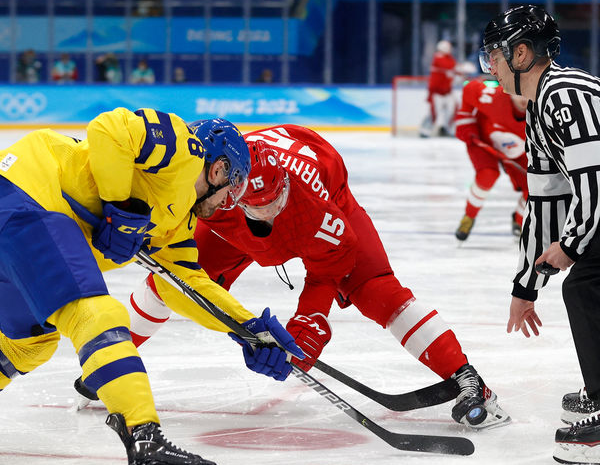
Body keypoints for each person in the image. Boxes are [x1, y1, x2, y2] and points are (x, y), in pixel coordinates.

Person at [102, 124, 511, 431]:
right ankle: (112, 360)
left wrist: (310, 321)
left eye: (272, 204)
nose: (265, 215)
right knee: (171, 281)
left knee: (378, 291)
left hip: (315, 210)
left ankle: (467, 378)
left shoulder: (313, 206)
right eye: (255, 206)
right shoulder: (214, 186)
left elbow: (329, 264)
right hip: (235, 216)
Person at [0, 111, 304, 465]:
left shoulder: (178, 222)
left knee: (28, 343)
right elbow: (108, 130)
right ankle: (147, 444)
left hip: (17, 221)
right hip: (25, 196)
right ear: (218, 169)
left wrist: (246, 328)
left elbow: (185, 284)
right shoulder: (182, 149)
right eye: (232, 189)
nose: (227, 202)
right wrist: (120, 205)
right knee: (96, 314)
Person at [481, 4, 600, 464]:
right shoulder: (540, 109)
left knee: (587, 286)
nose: (490, 66)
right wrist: (525, 287)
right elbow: (546, 204)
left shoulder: (566, 93)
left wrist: (570, 246)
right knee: (587, 282)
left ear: (522, 53)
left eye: (495, 55)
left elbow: (595, 179)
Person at [454, 78, 529, 241]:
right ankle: (469, 216)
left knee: (535, 186)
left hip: (520, 151)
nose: (523, 100)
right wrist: (467, 125)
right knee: (488, 174)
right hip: (484, 140)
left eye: (527, 94)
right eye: (518, 94)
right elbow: (469, 88)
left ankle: (520, 220)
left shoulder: (544, 110)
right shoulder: (492, 97)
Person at [419, 40, 457, 138]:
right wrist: (462, 68)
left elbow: (453, 68)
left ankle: (446, 129)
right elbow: (449, 66)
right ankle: (424, 131)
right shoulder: (438, 58)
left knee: (452, 110)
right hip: (437, 92)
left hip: (447, 91)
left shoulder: (449, 58)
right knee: (433, 113)